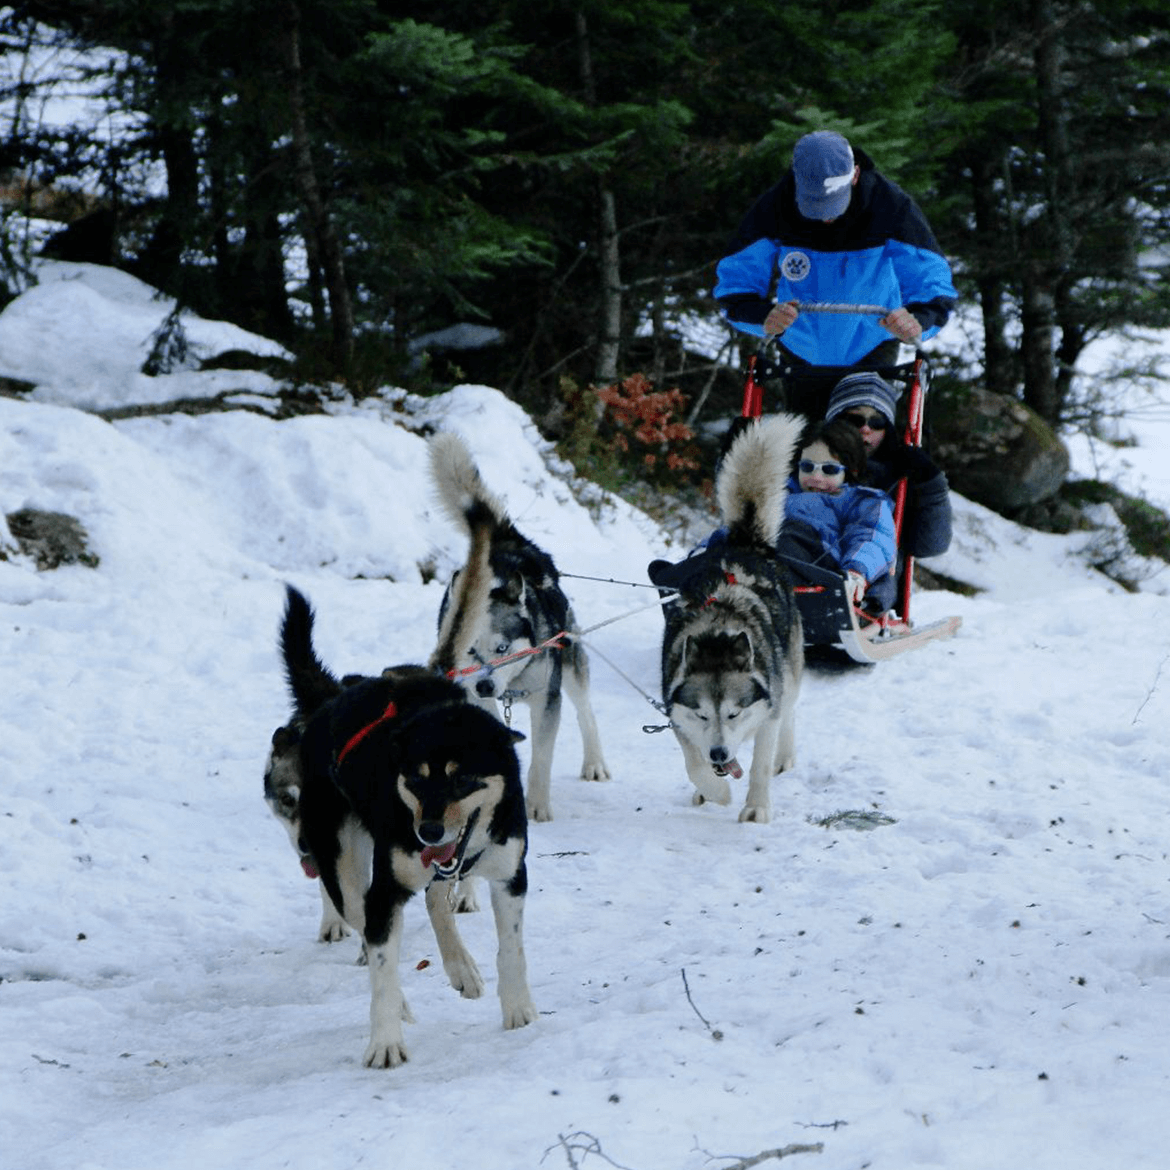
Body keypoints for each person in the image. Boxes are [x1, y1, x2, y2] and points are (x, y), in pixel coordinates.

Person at [713, 130, 958, 417]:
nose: (825, 218)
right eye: (813, 206)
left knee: (861, 440)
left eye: (831, 205)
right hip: (800, 347)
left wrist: (918, 320)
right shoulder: (775, 205)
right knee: (806, 448)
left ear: (854, 175)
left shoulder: (889, 205)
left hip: (872, 343)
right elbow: (735, 285)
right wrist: (763, 316)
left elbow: (932, 280)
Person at [823, 370, 952, 561]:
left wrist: (930, 484)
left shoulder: (896, 476)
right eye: (855, 420)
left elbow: (932, 545)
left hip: (873, 580)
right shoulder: (808, 466)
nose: (865, 429)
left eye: (877, 422)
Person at [777, 418, 897, 610]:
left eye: (829, 469)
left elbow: (871, 537)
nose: (816, 478)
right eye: (807, 467)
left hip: (820, 566)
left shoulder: (859, 500)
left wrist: (856, 571)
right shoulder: (777, 495)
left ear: (851, 470)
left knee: (789, 535)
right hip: (766, 556)